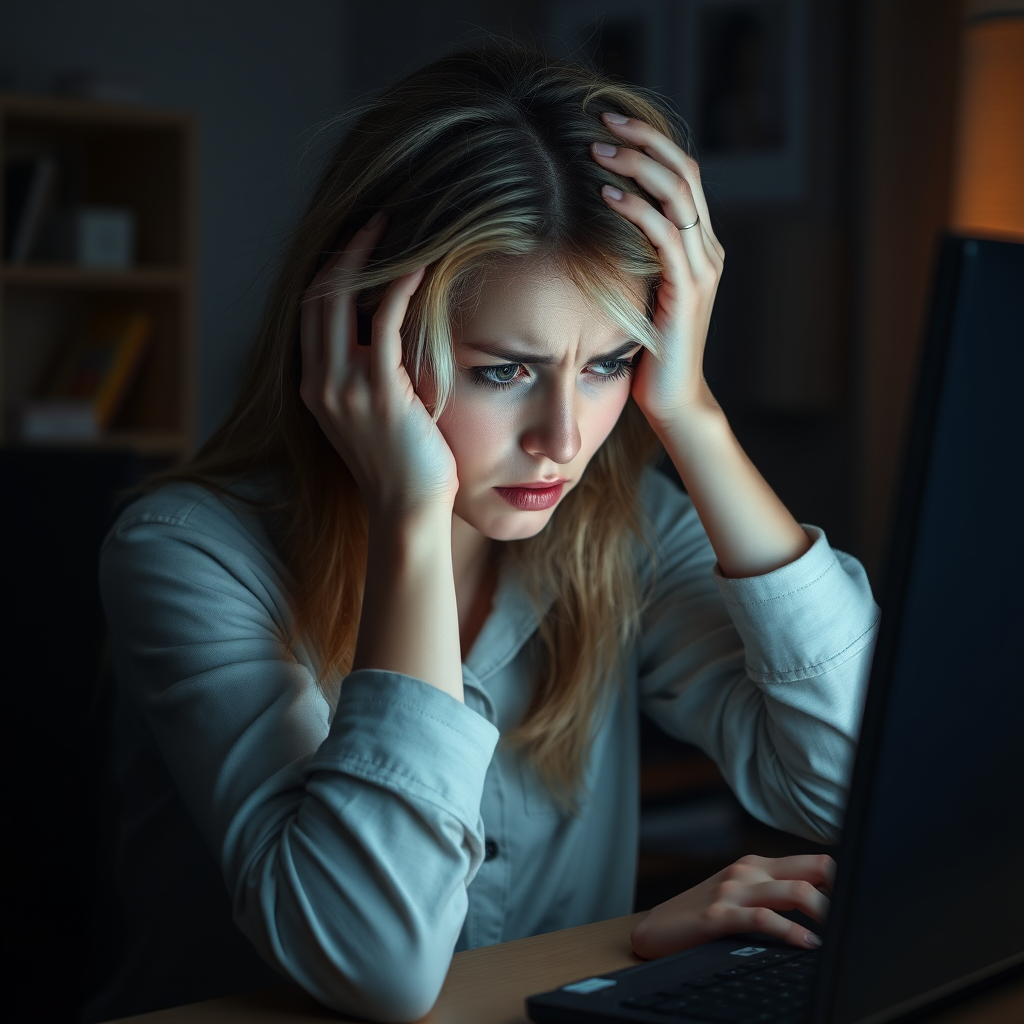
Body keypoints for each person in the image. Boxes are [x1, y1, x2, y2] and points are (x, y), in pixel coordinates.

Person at [90, 38, 878, 1024]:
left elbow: (853, 787)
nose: (562, 439)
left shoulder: (621, 526)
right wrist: (409, 518)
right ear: (356, 338)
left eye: (608, 363)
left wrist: (690, 415)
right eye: (503, 369)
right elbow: (374, 961)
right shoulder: (185, 553)